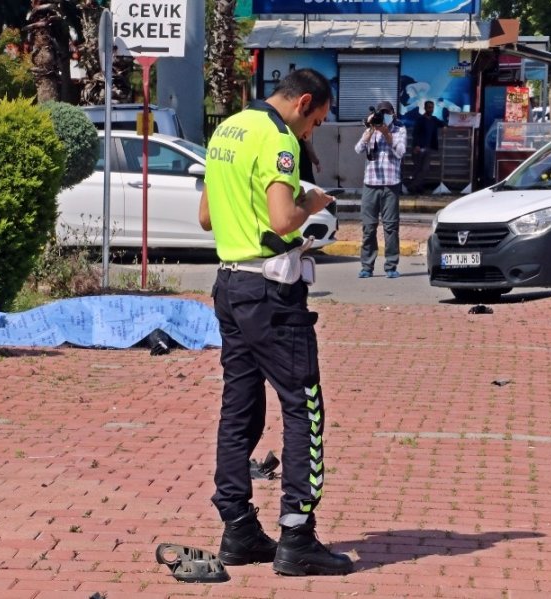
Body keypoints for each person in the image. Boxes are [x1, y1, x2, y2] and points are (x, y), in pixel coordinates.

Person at [198, 67, 353, 577]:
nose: (311, 133)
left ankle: (238, 527)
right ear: (303, 102)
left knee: (238, 407)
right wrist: (313, 201)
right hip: (271, 292)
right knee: (302, 406)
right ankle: (297, 534)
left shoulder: (228, 129)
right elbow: (284, 218)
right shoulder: (277, 137)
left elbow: (206, 217)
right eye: (316, 122)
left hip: (229, 285)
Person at [354, 100, 406, 279]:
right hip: (371, 183)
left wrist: (387, 134)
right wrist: (370, 130)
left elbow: (401, 152)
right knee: (368, 227)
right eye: (381, 113)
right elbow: (358, 149)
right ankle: (367, 267)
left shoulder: (399, 130)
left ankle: (391, 266)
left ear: (393, 114)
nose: (384, 116)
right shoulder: (371, 129)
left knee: (391, 227)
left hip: (391, 184)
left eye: (387, 112)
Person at [408, 100, 444, 194]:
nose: (431, 109)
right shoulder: (420, 119)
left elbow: (443, 123)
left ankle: (413, 186)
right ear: (425, 108)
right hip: (418, 148)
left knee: (425, 169)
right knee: (418, 169)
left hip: (428, 148)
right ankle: (417, 188)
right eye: (429, 107)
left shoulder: (434, 119)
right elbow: (415, 133)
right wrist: (416, 145)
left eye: (432, 108)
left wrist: (446, 125)